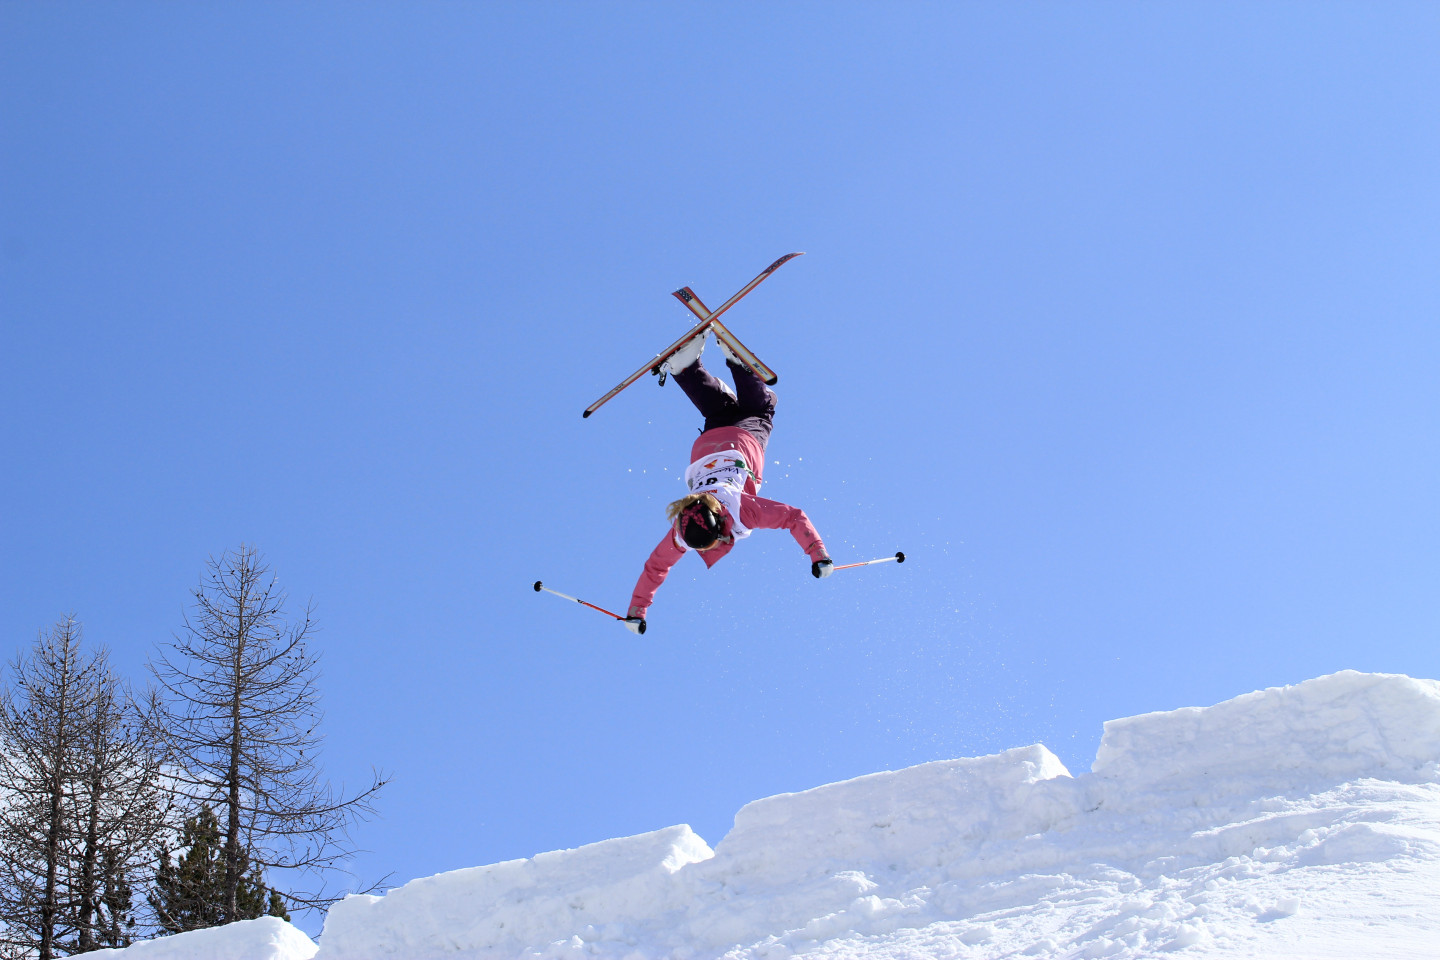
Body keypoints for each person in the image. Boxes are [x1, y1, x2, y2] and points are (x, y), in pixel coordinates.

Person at [624, 331, 832, 632]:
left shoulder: (740, 509)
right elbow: (656, 566)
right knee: (720, 408)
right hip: (708, 444)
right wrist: (636, 611)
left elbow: (792, 517)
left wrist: (818, 555)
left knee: (761, 409)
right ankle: (684, 368)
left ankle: (738, 364)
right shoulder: (682, 526)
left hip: (741, 442)